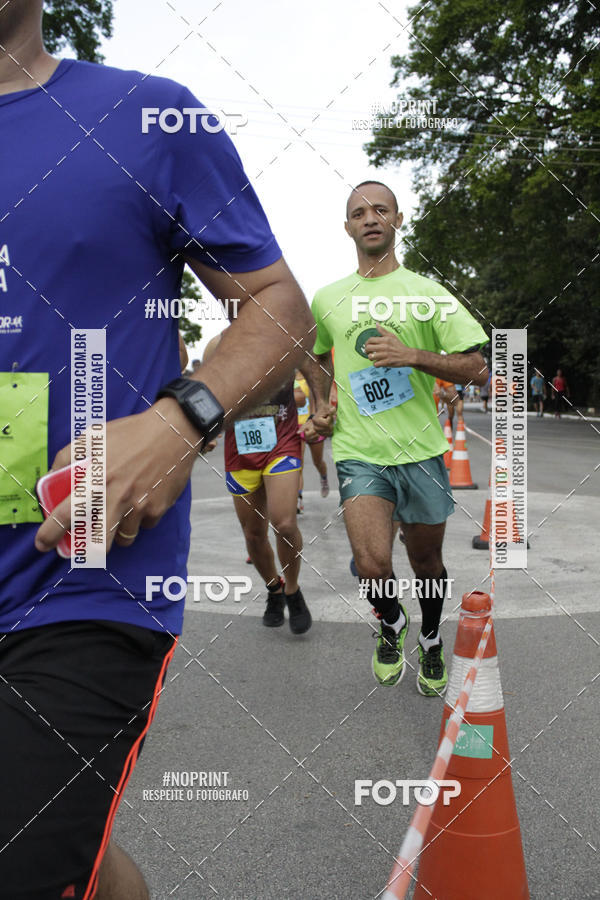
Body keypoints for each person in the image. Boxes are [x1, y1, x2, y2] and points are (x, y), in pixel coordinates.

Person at [0, 5, 313, 898]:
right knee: (70, 860)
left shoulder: (146, 117)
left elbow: (278, 307)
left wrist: (181, 422)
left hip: (80, 576)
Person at [303, 180, 488, 696]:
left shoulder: (427, 294)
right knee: (370, 562)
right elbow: (314, 353)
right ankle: (390, 622)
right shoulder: (328, 298)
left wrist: (415, 356)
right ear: (347, 227)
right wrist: (321, 404)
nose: (370, 217)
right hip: (361, 454)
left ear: (398, 220)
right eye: (359, 212)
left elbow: (477, 366)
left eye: (380, 209)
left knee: (426, 562)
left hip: (423, 453)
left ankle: (430, 637)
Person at [204, 335, 312, 634]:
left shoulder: (285, 334)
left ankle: (292, 590)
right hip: (239, 449)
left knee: (285, 523)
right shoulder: (219, 345)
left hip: (282, 441)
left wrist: (318, 409)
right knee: (253, 535)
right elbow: (205, 390)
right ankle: (274, 589)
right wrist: (203, 430)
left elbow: (314, 367)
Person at [295, 369, 330, 507]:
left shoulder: (308, 377)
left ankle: (324, 478)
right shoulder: (287, 378)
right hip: (295, 427)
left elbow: (315, 403)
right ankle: (298, 499)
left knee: (318, 461)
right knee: (298, 465)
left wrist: (313, 421)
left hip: (311, 424)